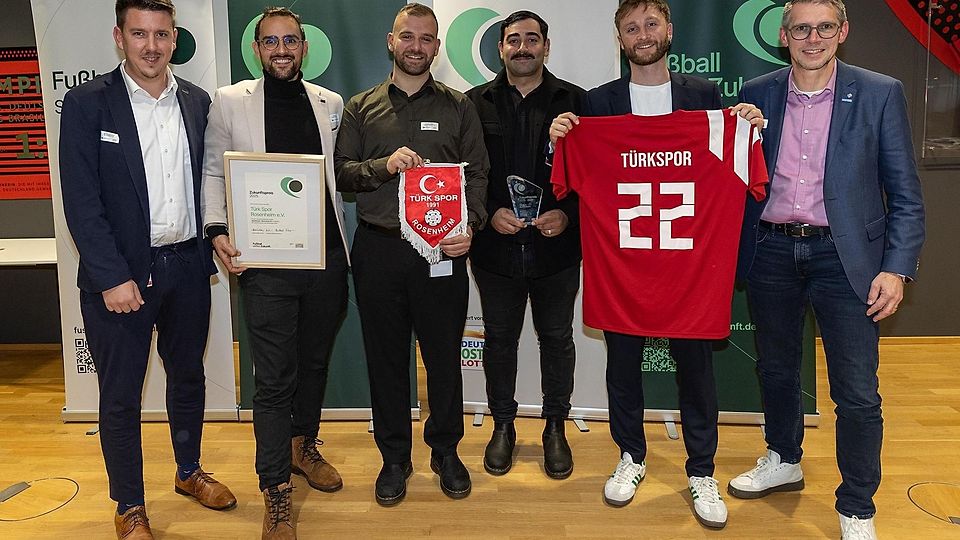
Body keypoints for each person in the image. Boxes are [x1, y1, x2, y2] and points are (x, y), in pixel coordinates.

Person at [549, 0, 763, 529]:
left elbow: (736, 169)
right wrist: (561, 136)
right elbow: (572, 177)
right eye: (630, 28)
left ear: (669, 30)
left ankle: (701, 469)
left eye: (650, 24)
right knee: (623, 369)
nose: (642, 35)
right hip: (624, 265)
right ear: (619, 39)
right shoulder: (596, 105)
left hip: (689, 268)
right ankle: (632, 456)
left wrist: (747, 125)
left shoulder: (705, 98)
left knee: (696, 373)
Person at [728, 1, 925, 538]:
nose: (811, 38)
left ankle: (857, 504)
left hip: (847, 259)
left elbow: (906, 194)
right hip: (770, 250)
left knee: (856, 390)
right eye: (800, 28)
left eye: (823, 27)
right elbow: (733, 179)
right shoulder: (756, 94)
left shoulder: (880, 92)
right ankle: (784, 457)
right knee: (776, 370)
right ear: (783, 36)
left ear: (842, 31)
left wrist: (896, 268)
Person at [58, 1, 236, 538]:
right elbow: (82, 201)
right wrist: (112, 275)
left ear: (175, 38)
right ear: (119, 36)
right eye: (140, 34)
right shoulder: (88, 104)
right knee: (120, 394)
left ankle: (188, 472)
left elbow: (211, 182)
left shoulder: (198, 102)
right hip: (121, 276)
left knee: (188, 377)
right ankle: (129, 504)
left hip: (187, 266)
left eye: (161, 34)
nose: (152, 46)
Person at [200, 7, 349, 539]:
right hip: (264, 262)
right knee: (273, 379)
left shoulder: (329, 103)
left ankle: (302, 447)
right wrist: (217, 228)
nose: (281, 49)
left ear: (304, 47)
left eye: (290, 41)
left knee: (313, 364)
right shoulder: (230, 101)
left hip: (326, 259)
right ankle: (275, 491)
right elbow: (215, 170)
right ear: (257, 49)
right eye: (270, 42)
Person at [334, 3, 489, 507]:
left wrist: (473, 224)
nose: (416, 46)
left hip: (442, 252)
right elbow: (342, 173)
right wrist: (383, 165)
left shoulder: (459, 107)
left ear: (437, 47)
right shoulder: (361, 106)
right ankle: (394, 458)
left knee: (444, 355)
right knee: (386, 361)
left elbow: (479, 176)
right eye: (408, 36)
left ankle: (446, 451)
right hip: (380, 249)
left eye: (426, 39)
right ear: (390, 41)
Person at [465, 10, 584, 480]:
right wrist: (488, 212)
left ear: (546, 47)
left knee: (557, 339)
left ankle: (555, 426)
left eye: (531, 39)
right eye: (513, 40)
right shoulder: (474, 103)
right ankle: (503, 425)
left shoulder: (576, 101)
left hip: (556, 248)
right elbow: (468, 171)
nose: (522, 48)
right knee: (498, 341)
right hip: (496, 248)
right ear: (500, 48)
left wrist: (568, 213)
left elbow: (596, 173)